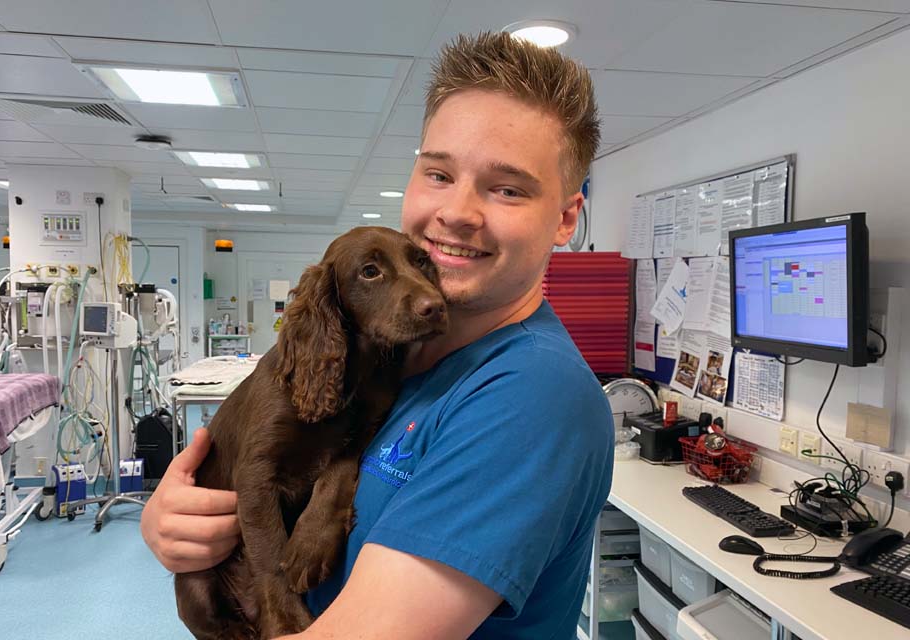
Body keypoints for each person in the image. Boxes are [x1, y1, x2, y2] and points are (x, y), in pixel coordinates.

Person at [142, 31, 614, 639]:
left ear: (566, 219)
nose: (458, 212)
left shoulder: (532, 396)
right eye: (440, 174)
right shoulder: (393, 359)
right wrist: (169, 519)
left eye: (507, 188)